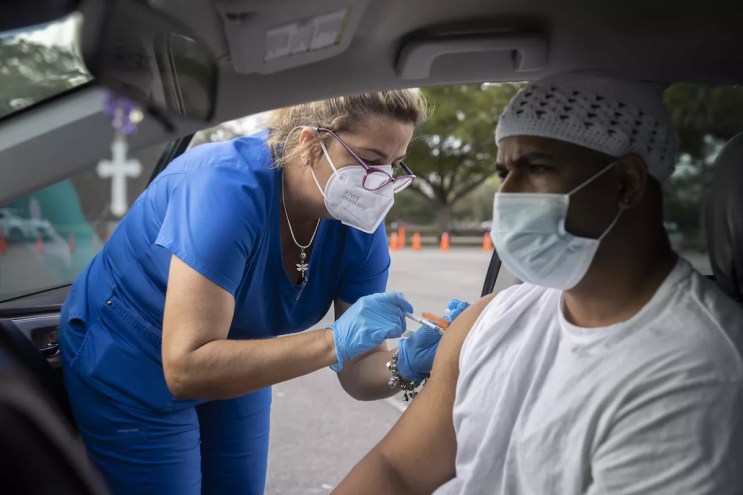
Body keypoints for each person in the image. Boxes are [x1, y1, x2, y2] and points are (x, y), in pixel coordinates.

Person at [334, 72, 743, 494]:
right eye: (504, 171)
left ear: (626, 182)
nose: (507, 193)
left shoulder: (697, 375)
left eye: (536, 167)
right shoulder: (494, 318)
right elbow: (395, 470)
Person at [59, 90, 461, 494]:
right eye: (370, 161)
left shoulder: (358, 226)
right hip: (131, 351)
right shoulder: (226, 189)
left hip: (237, 348)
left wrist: (408, 363)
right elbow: (185, 369)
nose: (381, 183)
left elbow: (358, 374)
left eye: (393, 165)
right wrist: (333, 341)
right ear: (310, 143)